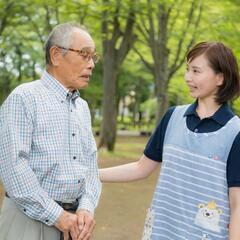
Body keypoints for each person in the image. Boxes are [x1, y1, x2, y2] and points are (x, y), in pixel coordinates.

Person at [99, 41, 240, 240]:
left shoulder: (235, 132)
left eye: (196, 71)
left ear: (220, 77)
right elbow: (142, 168)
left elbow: (237, 205)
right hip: (160, 233)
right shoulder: (173, 117)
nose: (188, 77)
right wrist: (91, 174)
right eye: (187, 70)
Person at [0, 22, 101, 240]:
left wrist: (86, 208)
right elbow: (13, 168)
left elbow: (91, 165)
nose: (91, 64)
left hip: (74, 225)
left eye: (93, 56)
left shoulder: (82, 107)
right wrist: (57, 215)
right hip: (27, 223)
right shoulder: (24, 99)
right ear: (55, 55)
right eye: (84, 54)